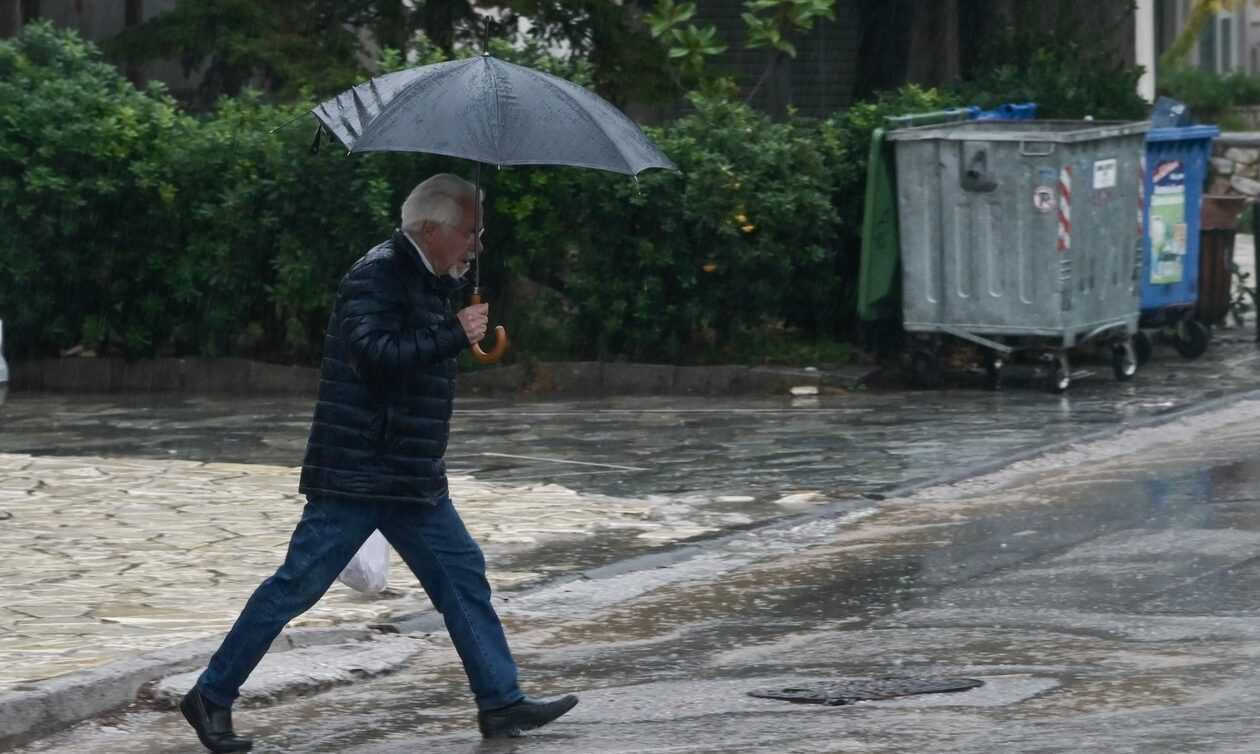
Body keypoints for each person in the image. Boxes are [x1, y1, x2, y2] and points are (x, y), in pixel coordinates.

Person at [179, 174, 578, 753]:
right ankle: (211, 695)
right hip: (360, 472)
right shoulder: (377, 274)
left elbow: (415, 354)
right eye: (470, 232)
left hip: (409, 475)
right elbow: (374, 355)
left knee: (462, 575)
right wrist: (452, 332)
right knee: (296, 585)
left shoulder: (429, 277)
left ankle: (500, 701)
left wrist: (451, 315)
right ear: (431, 229)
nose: (478, 244)